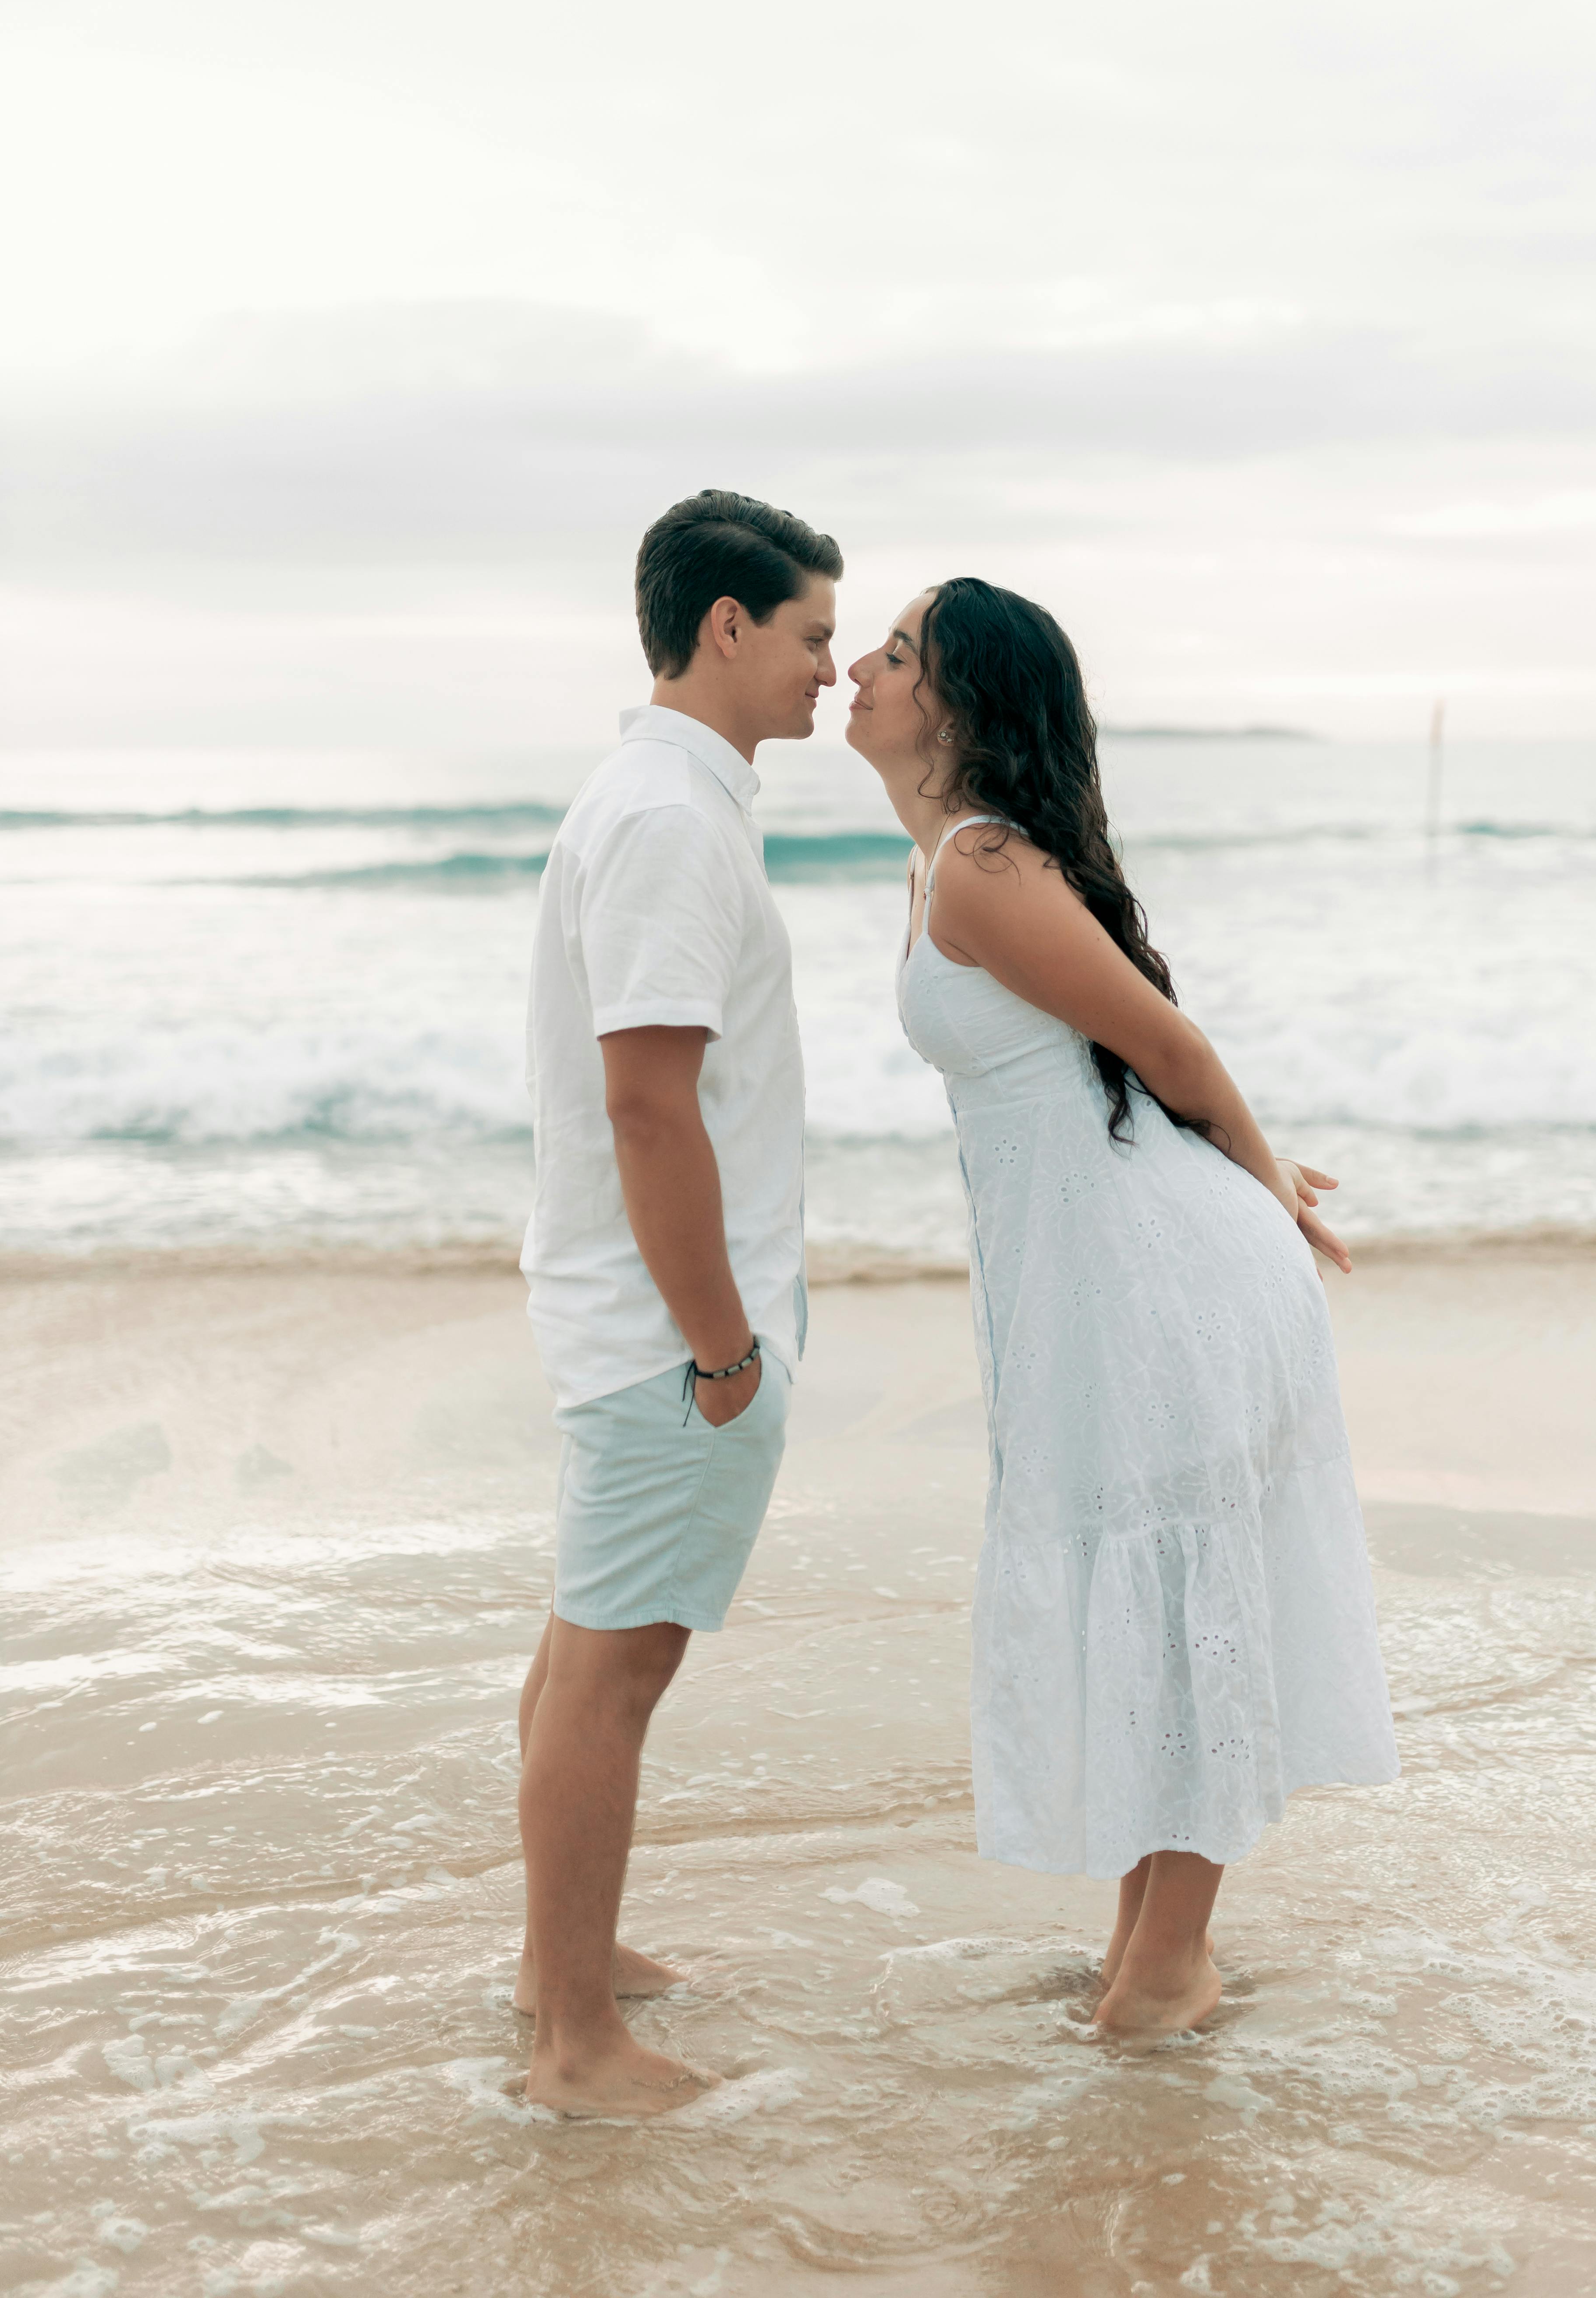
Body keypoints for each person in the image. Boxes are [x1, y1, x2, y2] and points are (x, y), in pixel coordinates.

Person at [845, 578, 1399, 2035]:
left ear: (958, 701)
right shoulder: (940, 866)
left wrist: (1266, 1190)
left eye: (895, 654)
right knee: (1150, 1588)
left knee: (1178, 1590)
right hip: (1099, 1281)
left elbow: (1169, 1047)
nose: (857, 667)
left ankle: (1173, 1965)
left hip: (1164, 1284)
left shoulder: (977, 866)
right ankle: (1141, 1943)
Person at [511, 488, 841, 2115]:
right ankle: (577, 2042)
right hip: (667, 1336)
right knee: (613, 1673)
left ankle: (560, 1969)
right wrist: (721, 1347)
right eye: (811, 636)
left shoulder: (670, 802)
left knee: (588, 1644)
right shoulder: (665, 820)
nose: (832, 674)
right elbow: (650, 1103)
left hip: (640, 1322)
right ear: (727, 627)